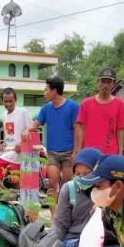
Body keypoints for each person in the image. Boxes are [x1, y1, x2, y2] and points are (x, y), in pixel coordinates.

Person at [24, 77, 79, 210]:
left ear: (54, 91)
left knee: (68, 185)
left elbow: (78, 129)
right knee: (52, 184)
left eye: (46, 89)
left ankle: (65, 213)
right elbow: (36, 123)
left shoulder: (73, 106)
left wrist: (76, 151)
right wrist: (28, 129)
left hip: (69, 152)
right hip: (52, 152)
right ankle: (54, 218)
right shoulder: (46, 108)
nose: (44, 92)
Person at [74, 67, 124, 156]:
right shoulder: (86, 103)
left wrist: (120, 152)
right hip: (89, 152)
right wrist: (78, 150)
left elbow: (120, 130)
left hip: (110, 153)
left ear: (113, 84)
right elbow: (80, 128)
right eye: (103, 81)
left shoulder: (119, 104)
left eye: (109, 82)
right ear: (98, 82)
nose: (105, 85)